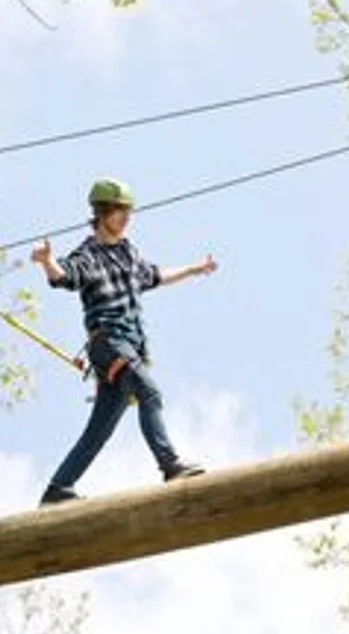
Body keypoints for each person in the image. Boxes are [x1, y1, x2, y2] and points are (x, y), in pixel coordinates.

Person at [30, 177, 217, 506]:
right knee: (149, 391)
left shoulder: (129, 252)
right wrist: (47, 262)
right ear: (102, 213)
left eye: (128, 212)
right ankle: (170, 464)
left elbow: (154, 276)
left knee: (100, 428)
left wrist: (193, 269)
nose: (126, 218)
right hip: (109, 342)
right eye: (119, 211)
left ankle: (58, 488)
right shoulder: (89, 254)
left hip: (129, 345)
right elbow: (66, 277)